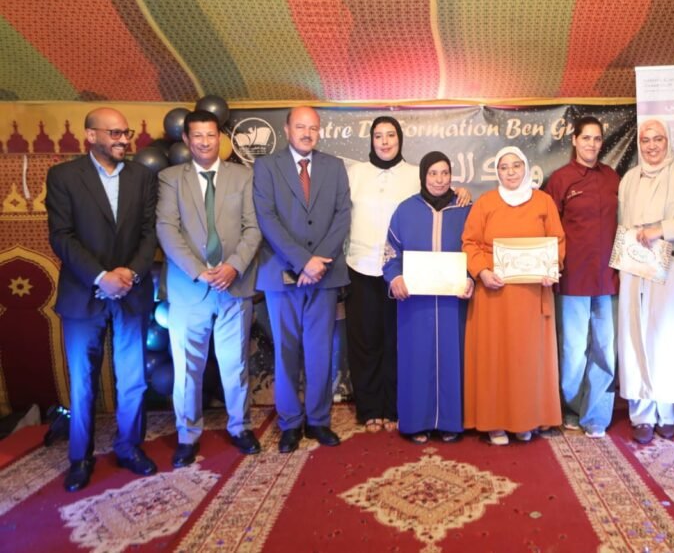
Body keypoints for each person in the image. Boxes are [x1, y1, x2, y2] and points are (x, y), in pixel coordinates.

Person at [46, 107, 158, 492]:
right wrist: (100, 277)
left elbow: (149, 233)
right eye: (114, 133)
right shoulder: (64, 176)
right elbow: (61, 236)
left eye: (126, 133)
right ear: (91, 135)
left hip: (131, 291)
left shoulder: (142, 176)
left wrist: (130, 274)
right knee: (83, 382)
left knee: (133, 378)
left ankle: (129, 448)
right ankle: (80, 457)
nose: (123, 140)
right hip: (84, 293)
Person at [346, 116, 470, 432]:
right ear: (371, 140)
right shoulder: (355, 173)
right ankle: (369, 409)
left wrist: (461, 191)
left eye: (391, 135)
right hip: (362, 267)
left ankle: (395, 408)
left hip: (409, 279)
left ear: (400, 139)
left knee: (398, 342)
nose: (385, 141)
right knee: (365, 342)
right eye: (378, 136)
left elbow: (438, 190)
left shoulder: (415, 174)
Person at [156, 110, 263, 467]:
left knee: (235, 364)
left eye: (211, 135)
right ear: (186, 140)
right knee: (187, 368)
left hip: (234, 284)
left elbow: (253, 228)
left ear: (221, 138)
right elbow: (167, 229)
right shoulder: (171, 178)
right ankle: (187, 436)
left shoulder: (243, 176)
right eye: (197, 136)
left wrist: (234, 266)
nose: (205, 142)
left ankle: (240, 427)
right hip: (190, 289)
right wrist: (200, 272)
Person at [253, 106, 351, 453]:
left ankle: (318, 420)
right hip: (282, 275)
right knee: (286, 352)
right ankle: (290, 423)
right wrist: (302, 261)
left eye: (313, 128)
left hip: (324, 274)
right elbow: (266, 218)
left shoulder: (334, 166)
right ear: (287, 129)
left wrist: (318, 261)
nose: (307, 133)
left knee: (321, 352)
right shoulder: (266, 166)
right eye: (300, 127)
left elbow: (343, 215)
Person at [462, 146, 565, 445]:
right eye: (504, 167)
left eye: (516, 166)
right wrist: (482, 272)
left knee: (527, 360)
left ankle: (525, 419)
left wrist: (552, 268)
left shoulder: (543, 202)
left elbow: (557, 241)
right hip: (494, 295)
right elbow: (470, 242)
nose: (510, 172)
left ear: (526, 168)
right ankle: (494, 423)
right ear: (497, 172)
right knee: (495, 358)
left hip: (532, 296)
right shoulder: (485, 203)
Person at [618, 119, 674, 444]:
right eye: (645, 140)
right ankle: (641, 414)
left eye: (658, 139)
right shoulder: (629, 179)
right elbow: (622, 224)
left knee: (668, 339)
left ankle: (666, 411)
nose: (652, 146)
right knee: (635, 337)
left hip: (673, 269)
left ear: (668, 141)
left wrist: (660, 229)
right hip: (635, 268)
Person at [382, 152, 473, 444]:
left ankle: (450, 421)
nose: (439, 179)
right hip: (414, 303)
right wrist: (395, 278)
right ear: (423, 176)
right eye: (433, 173)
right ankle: (416, 422)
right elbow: (390, 253)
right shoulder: (405, 210)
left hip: (452, 303)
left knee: (452, 358)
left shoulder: (465, 209)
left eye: (445, 173)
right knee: (416, 360)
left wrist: (471, 278)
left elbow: (476, 249)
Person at [544, 116, 620, 439]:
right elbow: (548, 229)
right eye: (586, 138)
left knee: (605, 349)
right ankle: (572, 409)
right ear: (574, 140)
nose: (592, 144)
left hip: (608, 279)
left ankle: (597, 415)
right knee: (573, 350)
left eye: (597, 138)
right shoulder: (560, 180)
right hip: (573, 279)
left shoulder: (612, 177)